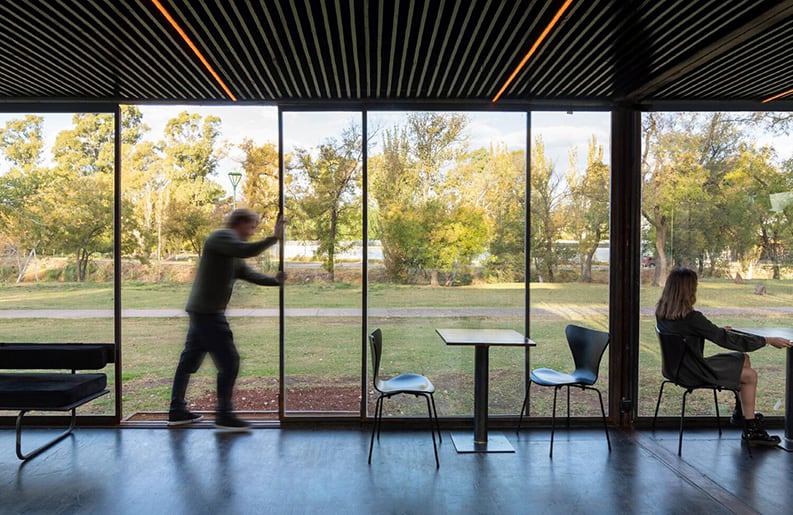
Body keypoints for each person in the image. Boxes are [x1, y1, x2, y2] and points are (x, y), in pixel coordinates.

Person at [168, 208, 285, 431]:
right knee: (229, 362)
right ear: (239, 223)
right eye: (251, 227)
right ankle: (223, 415)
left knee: (188, 363)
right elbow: (247, 250)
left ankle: (177, 411)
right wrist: (273, 238)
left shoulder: (231, 251)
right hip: (208, 314)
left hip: (204, 312)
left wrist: (275, 281)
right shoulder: (221, 237)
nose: (252, 232)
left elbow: (249, 273)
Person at [655, 266, 791, 446]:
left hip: (677, 368)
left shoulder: (662, 313)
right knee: (750, 376)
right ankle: (750, 429)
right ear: (689, 290)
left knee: (743, 358)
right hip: (693, 371)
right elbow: (725, 340)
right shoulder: (692, 317)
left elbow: (699, 332)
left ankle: (740, 413)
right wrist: (767, 340)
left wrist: (716, 331)